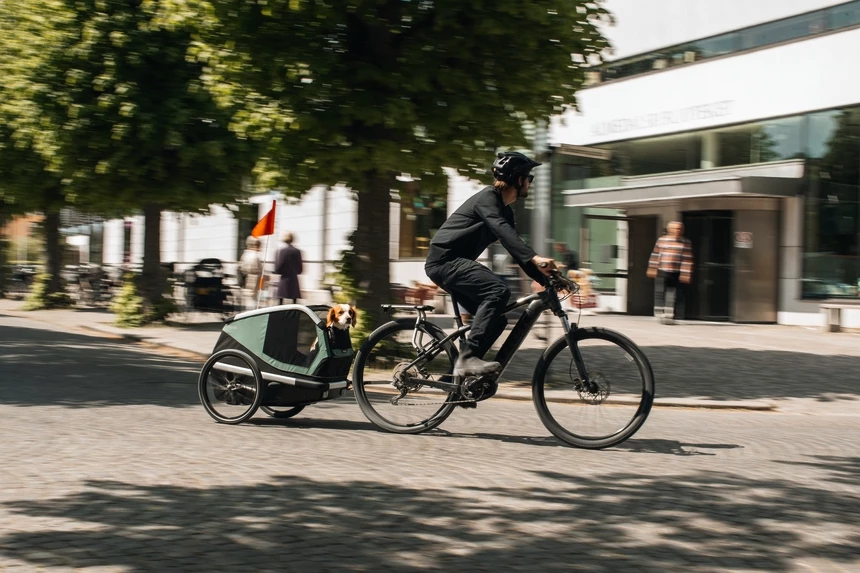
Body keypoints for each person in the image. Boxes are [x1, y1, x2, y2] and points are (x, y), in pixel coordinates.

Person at [425, 151, 556, 378]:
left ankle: (460, 381)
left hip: (455, 263)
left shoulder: (504, 210)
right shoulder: (488, 198)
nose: (530, 184)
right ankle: (467, 360)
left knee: (496, 321)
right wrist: (536, 257)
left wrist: (547, 280)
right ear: (518, 179)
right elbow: (502, 231)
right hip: (444, 261)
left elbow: (514, 247)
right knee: (497, 291)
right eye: (529, 178)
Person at [647, 221, 693, 324]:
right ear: (670, 230)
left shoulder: (685, 242)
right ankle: (659, 312)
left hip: (676, 271)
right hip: (663, 269)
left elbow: (687, 259)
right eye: (675, 229)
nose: (678, 231)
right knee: (660, 291)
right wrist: (652, 268)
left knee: (673, 292)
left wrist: (685, 273)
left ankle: (669, 313)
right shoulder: (662, 240)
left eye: (680, 229)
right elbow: (655, 255)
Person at [275, 232, 303, 305]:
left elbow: (280, 264)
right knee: (294, 299)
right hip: (293, 277)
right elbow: (299, 266)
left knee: (281, 298)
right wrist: (297, 271)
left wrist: (277, 271)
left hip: (284, 277)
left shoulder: (282, 251)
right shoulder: (297, 251)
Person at [239, 236, 264, 310]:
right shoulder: (255, 256)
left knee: (248, 297)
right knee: (253, 299)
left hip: (246, 278)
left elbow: (241, 267)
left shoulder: (245, 255)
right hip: (254, 279)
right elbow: (259, 269)